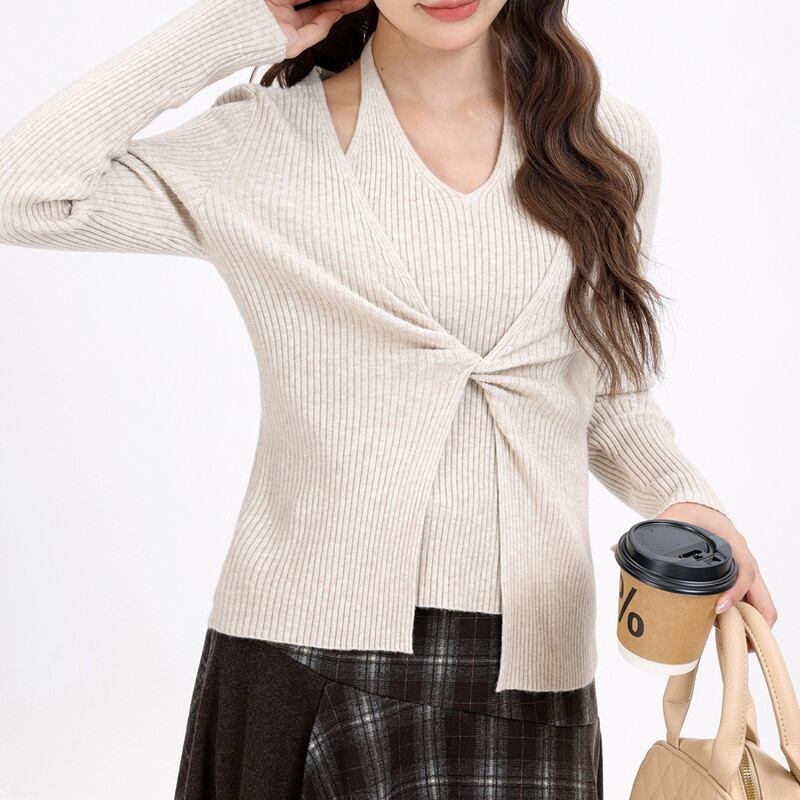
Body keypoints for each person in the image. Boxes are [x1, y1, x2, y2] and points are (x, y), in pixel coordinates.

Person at [0, 0, 778, 796]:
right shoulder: (267, 142)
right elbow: (20, 190)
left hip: (530, 679)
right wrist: (241, 24)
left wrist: (690, 502)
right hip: (299, 662)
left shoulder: (605, 148)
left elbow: (602, 394)